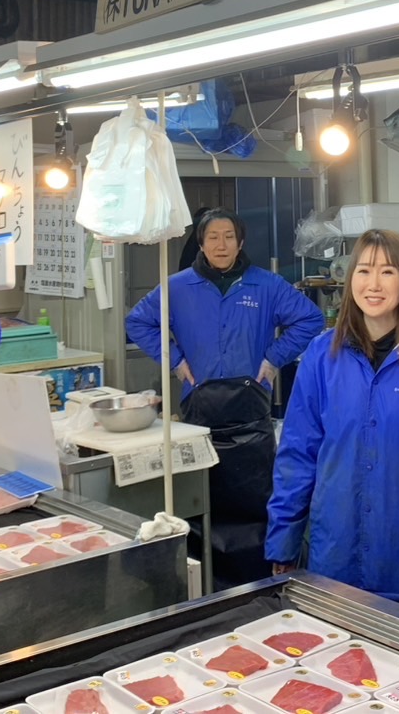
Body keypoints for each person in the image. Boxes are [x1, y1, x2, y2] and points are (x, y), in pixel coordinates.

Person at [265, 229, 399, 618]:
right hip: (337, 562)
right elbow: (297, 455)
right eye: (363, 271)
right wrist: (283, 539)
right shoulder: (321, 356)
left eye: (387, 272)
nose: (373, 284)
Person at [125, 207, 323, 586]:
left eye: (229, 236)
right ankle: (208, 581)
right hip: (198, 409)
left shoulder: (266, 285)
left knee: (256, 501)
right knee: (201, 500)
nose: (221, 244)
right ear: (201, 243)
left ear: (240, 242)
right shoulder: (177, 287)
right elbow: (138, 322)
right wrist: (175, 361)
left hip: (252, 411)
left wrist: (273, 359)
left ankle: (262, 577)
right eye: (213, 237)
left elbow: (310, 319)